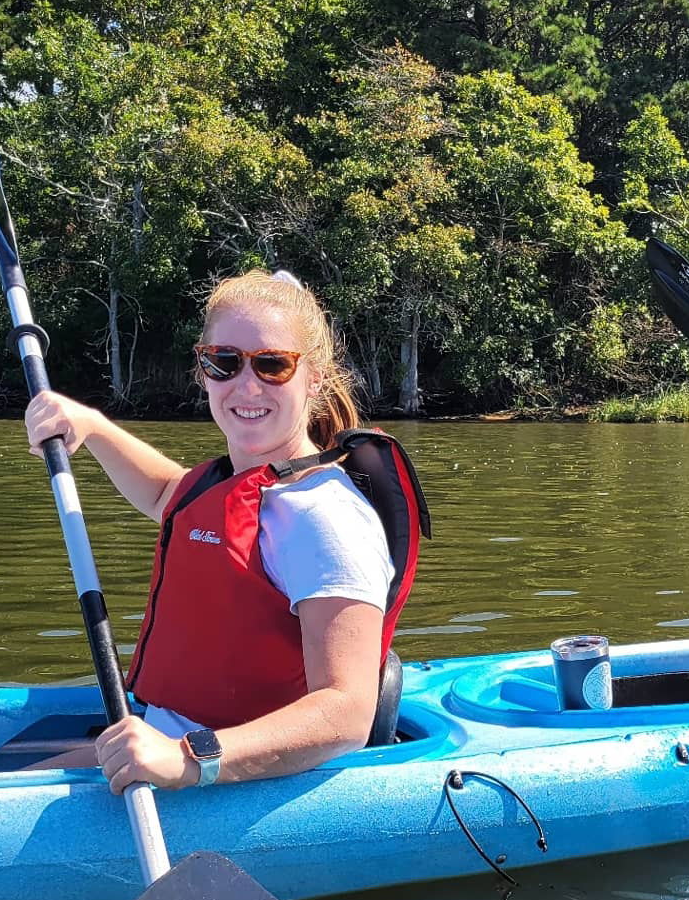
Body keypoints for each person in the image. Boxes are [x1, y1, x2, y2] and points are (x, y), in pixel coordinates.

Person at [23, 270, 426, 791]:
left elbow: (346, 712)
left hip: (226, 772)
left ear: (316, 379)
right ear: (203, 369)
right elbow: (167, 495)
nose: (246, 385)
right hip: (162, 735)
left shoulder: (323, 516)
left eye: (273, 364)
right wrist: (93, 426)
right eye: (225, 362)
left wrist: (190, 759)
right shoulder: (230, 482)